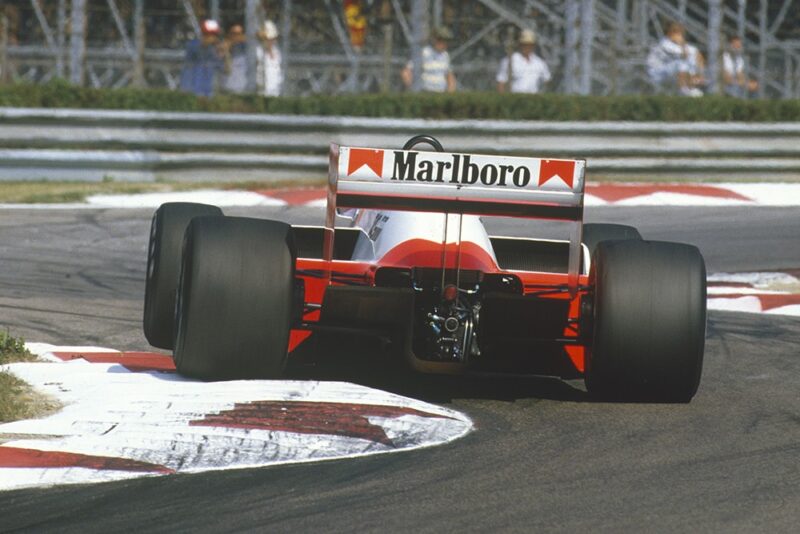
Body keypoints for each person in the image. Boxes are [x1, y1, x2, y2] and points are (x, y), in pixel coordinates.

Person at [646, 21, 704, 97]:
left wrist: (699, 74)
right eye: (675, 31)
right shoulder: (664, 44)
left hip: (673, 74)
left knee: (698, 94)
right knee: (681, 64)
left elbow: (697, 54)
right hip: (657, 73)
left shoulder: (683, 46)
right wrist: (682, 44)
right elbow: (684, 55)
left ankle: (691, 87)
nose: (679, 34)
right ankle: (684, 90)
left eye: (680, 31)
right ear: (669, 33)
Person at [401, 26, 456, 93]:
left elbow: (449, 76)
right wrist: (413, 90)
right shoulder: (424, 53)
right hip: (424, 92)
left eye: (446, 41)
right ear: (435, 40)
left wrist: (450, 92)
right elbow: (406, 72)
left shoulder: (445, 55)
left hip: (440, 93)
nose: (445, 44)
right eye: (441, 40)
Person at [496, 29, 550, 94]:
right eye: (524, 44)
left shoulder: (539, 63)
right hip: (515, 98)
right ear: (520, 45)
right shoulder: (509, 61)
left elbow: (547, 80)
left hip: (534, 99)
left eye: (530, 45)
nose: (527, 47)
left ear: (533, 46)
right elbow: (501, 82)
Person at [179, 19, 224, 97]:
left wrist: (224, 52)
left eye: (214, 35)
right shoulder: (193, 45)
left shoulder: (215, 49)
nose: (211, 37)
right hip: (191, 89)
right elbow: (194, 50)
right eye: (208, 34)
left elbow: (224, 69)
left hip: (209, 92)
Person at [256, 20, 283, 96]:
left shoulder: (277, 52)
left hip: (276, 92)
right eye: (268, 39)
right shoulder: (258, 51)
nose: (271, 41)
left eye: (272, 38)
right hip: (261, 93)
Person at [222, 24, 247, 94]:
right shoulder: (224, 48)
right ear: (229, 35)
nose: (237, 37)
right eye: (234, 34)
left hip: (244, 91)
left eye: (240, 34)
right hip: (227, 91)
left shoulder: (246, 49)